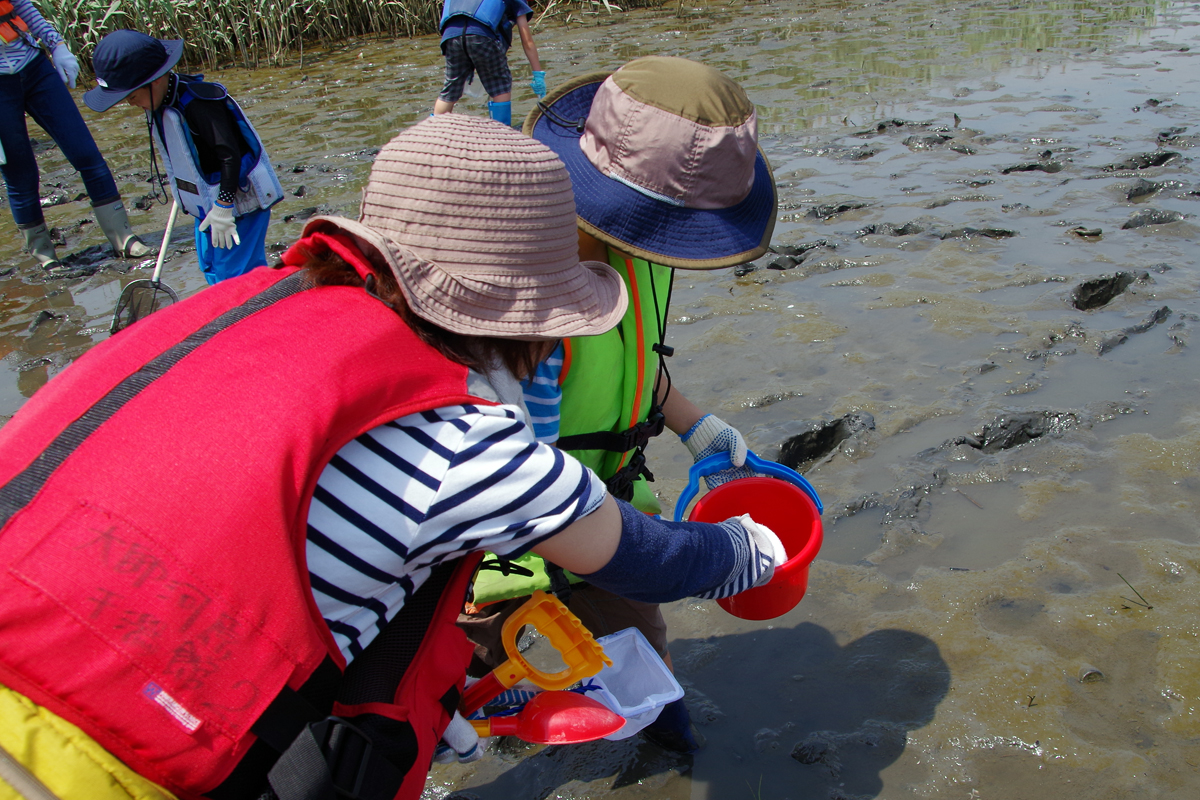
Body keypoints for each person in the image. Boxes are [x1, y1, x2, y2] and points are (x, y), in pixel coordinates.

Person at [0, 115, 784, 800]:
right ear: (522, 318)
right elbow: (648, 560)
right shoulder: (459, 438)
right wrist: (751, 548)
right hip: (89, 762)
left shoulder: (246, 304)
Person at [459, 56, 779, 755]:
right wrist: (704, 557)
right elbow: (504, 487)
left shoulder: (636, 253)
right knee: (494, 712)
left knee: (654, 688)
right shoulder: (525, 298)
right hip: (516, 553)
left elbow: (631, 364)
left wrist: (695, 423)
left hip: (614, 509)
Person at [83, 30, 284, 285]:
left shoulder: (200, 102)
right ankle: (228, 316)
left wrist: (223, 207)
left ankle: (258, 317)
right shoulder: (164, 101)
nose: (132, 104)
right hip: (207, 202)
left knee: (236, 275)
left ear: (154, 80)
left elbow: (230, 155)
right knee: (210, 266)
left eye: (132, 96)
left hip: (237, 199)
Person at [0, 0, 151, 276]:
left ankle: (123, 237)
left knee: (86, 153)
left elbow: (20, 5)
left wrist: (56, 45)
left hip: (33, 68)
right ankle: (45, 255)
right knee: (21, 175)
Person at [433, 0, 547, 126]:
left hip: (451, 36)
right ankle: (501, 134)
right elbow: (527, 42)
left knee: (450, 90)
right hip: (481, 35)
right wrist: (538, 74)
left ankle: (434, 134)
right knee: (500, 84)